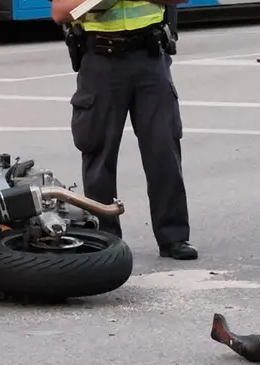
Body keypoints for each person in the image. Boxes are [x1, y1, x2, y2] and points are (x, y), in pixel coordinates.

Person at [51, 0, 196, 260]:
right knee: (99, 154)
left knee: (164, 148)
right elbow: (60, 12)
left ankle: (174, 237)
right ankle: (105, 239)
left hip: (150, 57)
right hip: (101, 60)